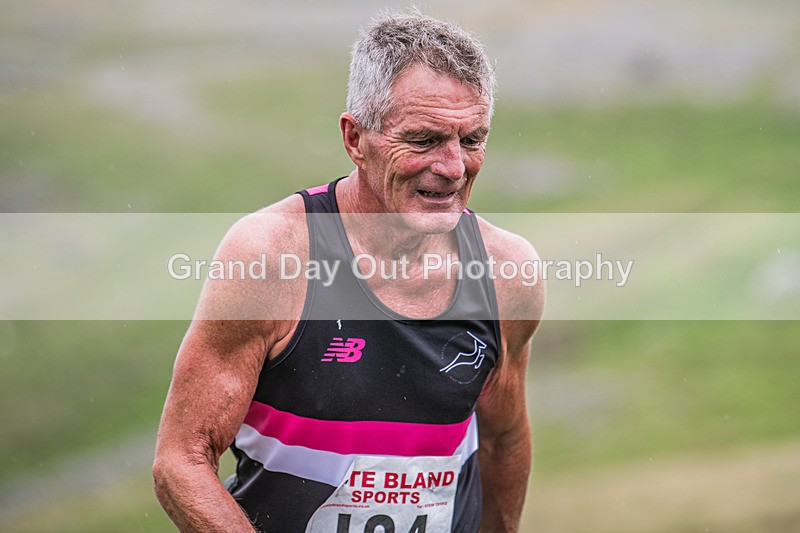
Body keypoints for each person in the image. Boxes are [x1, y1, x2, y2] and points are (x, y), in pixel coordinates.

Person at [153, 10, 544, 533]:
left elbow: (503, 439)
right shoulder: (271, 258)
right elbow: (182, 461)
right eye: (424, 139)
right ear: (355, 139)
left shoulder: (507, 272)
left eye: (472, 140)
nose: (454, 167)